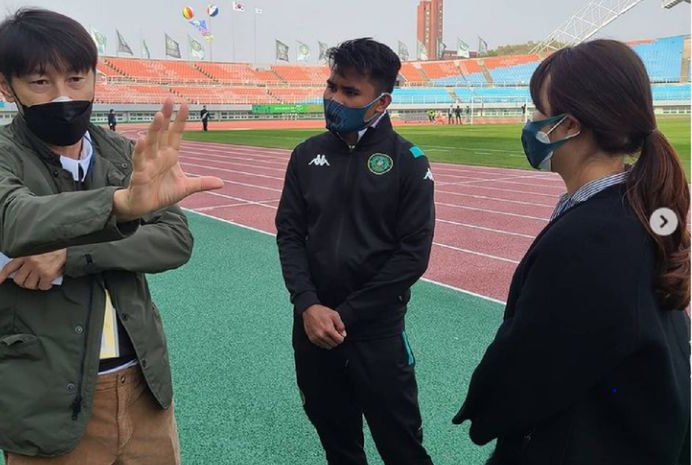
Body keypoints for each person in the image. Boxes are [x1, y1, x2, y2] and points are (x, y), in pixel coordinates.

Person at [0, 9, 223, 464]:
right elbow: (14, 220)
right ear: (5, 84)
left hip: (142, 386)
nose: (64, 96)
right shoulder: (0, 157)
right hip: (46, 400)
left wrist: (72, 254)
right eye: (41, 83)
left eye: (77, 79)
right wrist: (119, 207)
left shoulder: (121, 151)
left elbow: (175, 239)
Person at [453, 39, 690, 465]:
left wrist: (484, 412)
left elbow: (532, 366)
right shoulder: (638, 207)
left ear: (570, 126)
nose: (532, 123)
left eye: (538, 113)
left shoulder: (592, 238)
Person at [276, 38, 435, 465]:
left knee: (402, 448)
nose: (334, 99)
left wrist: (346, 314)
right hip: (313, 332)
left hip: (376, 335)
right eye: (331, 87)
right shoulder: (305, 155)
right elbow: (289, 234)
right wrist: (308, 304)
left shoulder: (408, 162)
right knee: (339, 447)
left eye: (350, 92)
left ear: (381, 102)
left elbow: (412, 256)